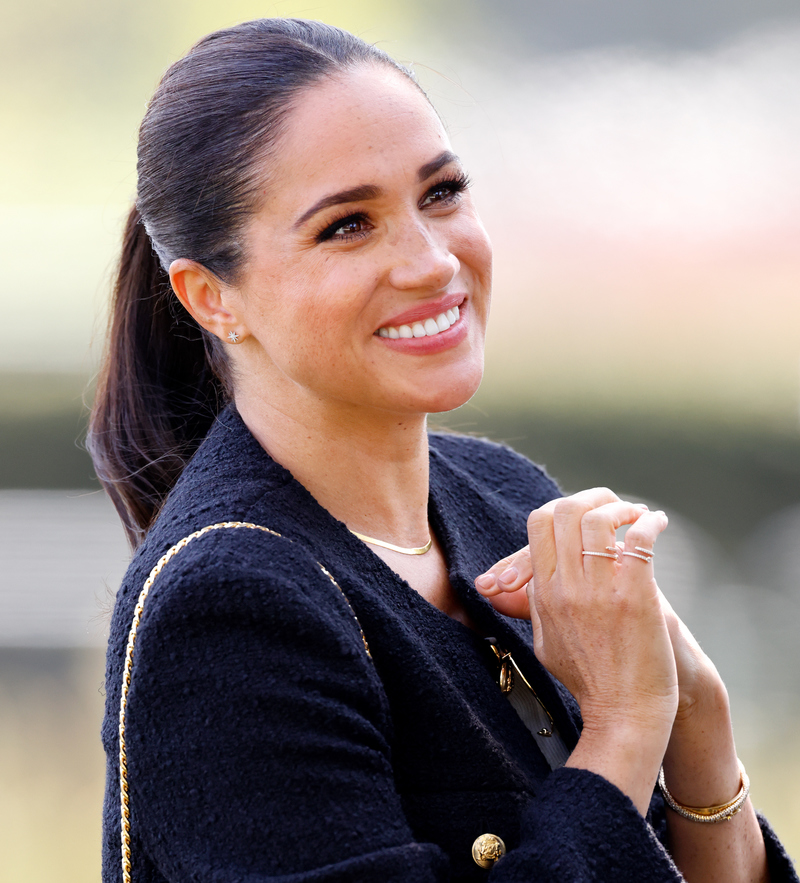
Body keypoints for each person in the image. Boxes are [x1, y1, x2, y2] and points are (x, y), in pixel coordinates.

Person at [89, 18, 797, 883]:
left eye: (442, 192)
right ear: (211, 297)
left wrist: (698, 726)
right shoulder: (229, 606)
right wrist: (622, 725)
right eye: (348, 225)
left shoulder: (505, 499)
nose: (430, 261)